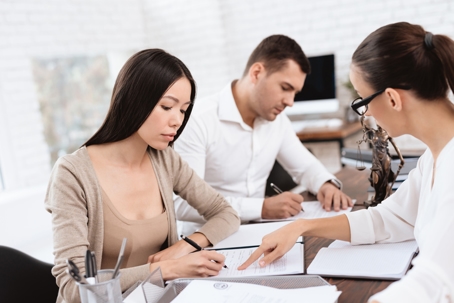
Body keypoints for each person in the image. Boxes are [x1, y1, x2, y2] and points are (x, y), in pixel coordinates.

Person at [238, 22, 454, 302]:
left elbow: (436, 283)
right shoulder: (433, 157)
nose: (365, 112)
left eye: (362, 100)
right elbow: (390, 218)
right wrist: (302, 227)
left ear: (391, 98)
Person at [44, 49, 240, 303]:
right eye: (167, 107)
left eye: (183, 110)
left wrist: (185, 246)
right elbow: (74, 285)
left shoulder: (165, 159)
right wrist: (168, 268)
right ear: (133, 100)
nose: (177, 121)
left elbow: (226, 213)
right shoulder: (72, 174)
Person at [174, 35, 352, 235]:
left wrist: (325, 184)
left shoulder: (277, 121)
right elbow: (182, 204)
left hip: (258, 232)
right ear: (257, 73)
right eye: (285, 88)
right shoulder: (197, 120)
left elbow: (305, 167)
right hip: (205, 241)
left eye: (295, 93)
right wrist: (261, 208)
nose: (290, 102)